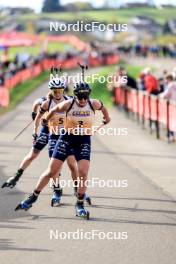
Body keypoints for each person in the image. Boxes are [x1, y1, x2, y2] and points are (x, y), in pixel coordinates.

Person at [15, 81, 111, 219]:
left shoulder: (94, 103)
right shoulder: (69, 104)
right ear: (75, 96)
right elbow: (53, 110)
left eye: (85, 97)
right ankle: (33, 197)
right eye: (80, 98)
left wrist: (106, 118)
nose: (83, 101)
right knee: (52, 171)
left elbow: (104, 109)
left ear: (88, 95)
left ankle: (79, 204)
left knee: (83, 172)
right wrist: (45, 121)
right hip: (66, 139)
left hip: (83, 140)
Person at [1, 95, 49, 188]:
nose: (57, 93)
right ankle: (16, 176)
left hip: (59, 132)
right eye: (55, 91)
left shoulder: (66, 100)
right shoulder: (45, 100)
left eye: (59, 91)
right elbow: (36, 102)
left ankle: (57, 187)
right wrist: (34, 114)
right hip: (46, 130)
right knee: (32, 154)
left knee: (55, 160)